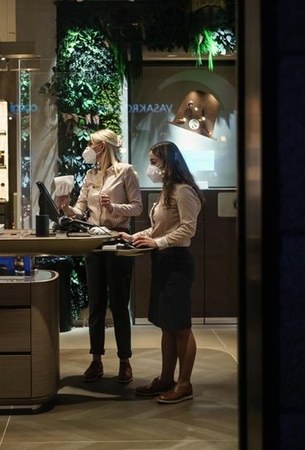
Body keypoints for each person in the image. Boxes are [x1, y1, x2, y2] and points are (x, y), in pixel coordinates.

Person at [120, 141, 204, 404]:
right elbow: (158, 228)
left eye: (154, 162)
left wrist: (159, 243)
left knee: (180, 327)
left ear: (169, 163)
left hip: (177, 262)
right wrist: (134, 236)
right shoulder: (166, 191)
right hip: (163, 261)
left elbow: (188, 229)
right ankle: (166, 380)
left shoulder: (184, 191)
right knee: (167, 327)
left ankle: (184, 384)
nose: (151, 168)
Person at [56, 129, 143, 383]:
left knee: (118, 304)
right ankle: (96, 360)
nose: (88, 148)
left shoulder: (125, 171)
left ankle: (125, 361)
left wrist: (113, 207)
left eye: (92, 144)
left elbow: (137, 207)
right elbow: (81, 211)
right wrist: (65, 206)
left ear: (103, 147)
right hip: (93, 242)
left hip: (117, 241)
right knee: (95, 305)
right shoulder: (90, 175)